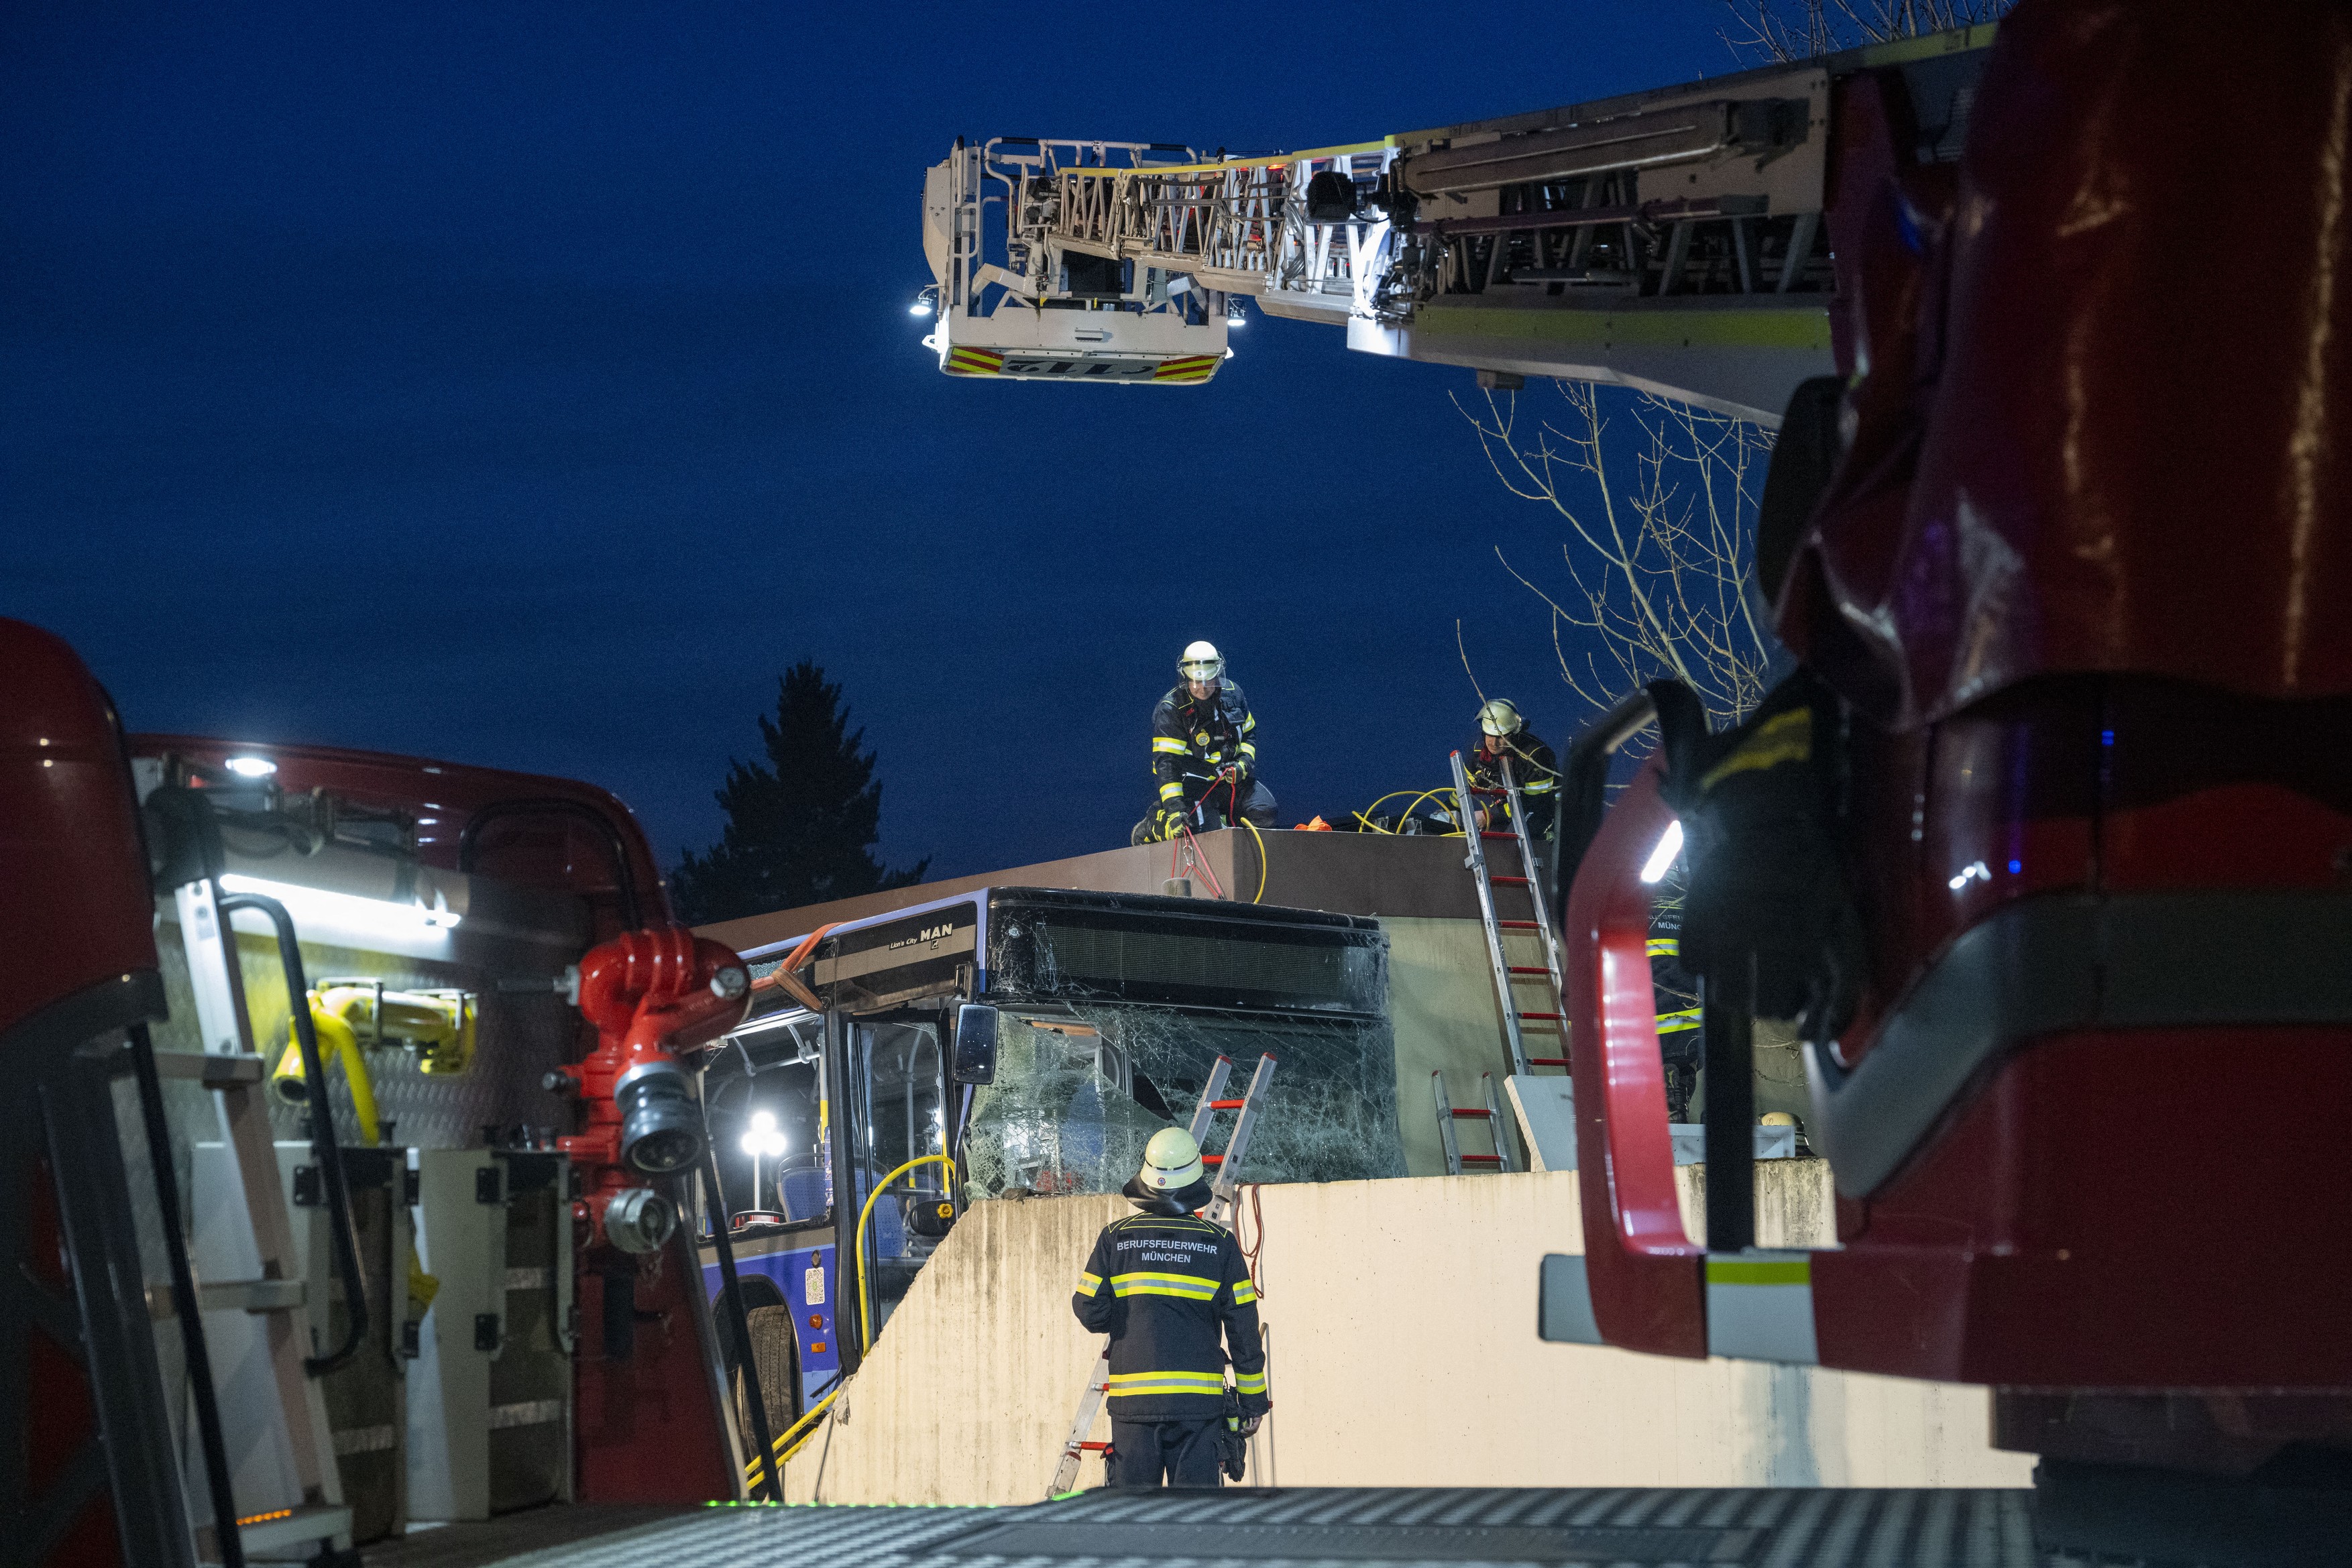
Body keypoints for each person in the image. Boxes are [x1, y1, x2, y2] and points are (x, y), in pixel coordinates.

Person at [1071, 1128, 1270, 1487]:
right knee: (1193, 1526)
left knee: (1133, 1522)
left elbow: (1089, 1309)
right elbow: (1244, 1332)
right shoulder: (1221, 1244)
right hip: (1199, 1409)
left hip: (1135, 1407)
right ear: (1195, 1179)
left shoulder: (1116, 1238)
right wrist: (1253, 1402)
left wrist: (1131, 1315)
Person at [1135, 640, 1278, 846]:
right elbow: (1167, 765)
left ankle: (1222, 826)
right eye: (1196, 680)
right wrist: (1175, 810)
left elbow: (1249, 733)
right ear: (1186, 677)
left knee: (1265, 812)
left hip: (1228, 779)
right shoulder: (1171, 710)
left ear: (1218, 673)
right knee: (1194, 830)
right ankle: (1154, 825)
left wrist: (1244, 764)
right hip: (1191, 782)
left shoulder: (1234, 695)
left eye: (1208, 679)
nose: (1202, 687)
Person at [1463, 698, 1559, 839]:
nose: (1494, 743)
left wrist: (1488, 815)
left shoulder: (1534, 755)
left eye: (1501, 737)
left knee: (1509, 842)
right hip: (1508, 812)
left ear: (1513, 734)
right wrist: (1448, 810)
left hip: (1547, 812)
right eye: (1490, 735)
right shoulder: (1479, 752)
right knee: (1488, 840)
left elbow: (1535, 802)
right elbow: (1467, 787)